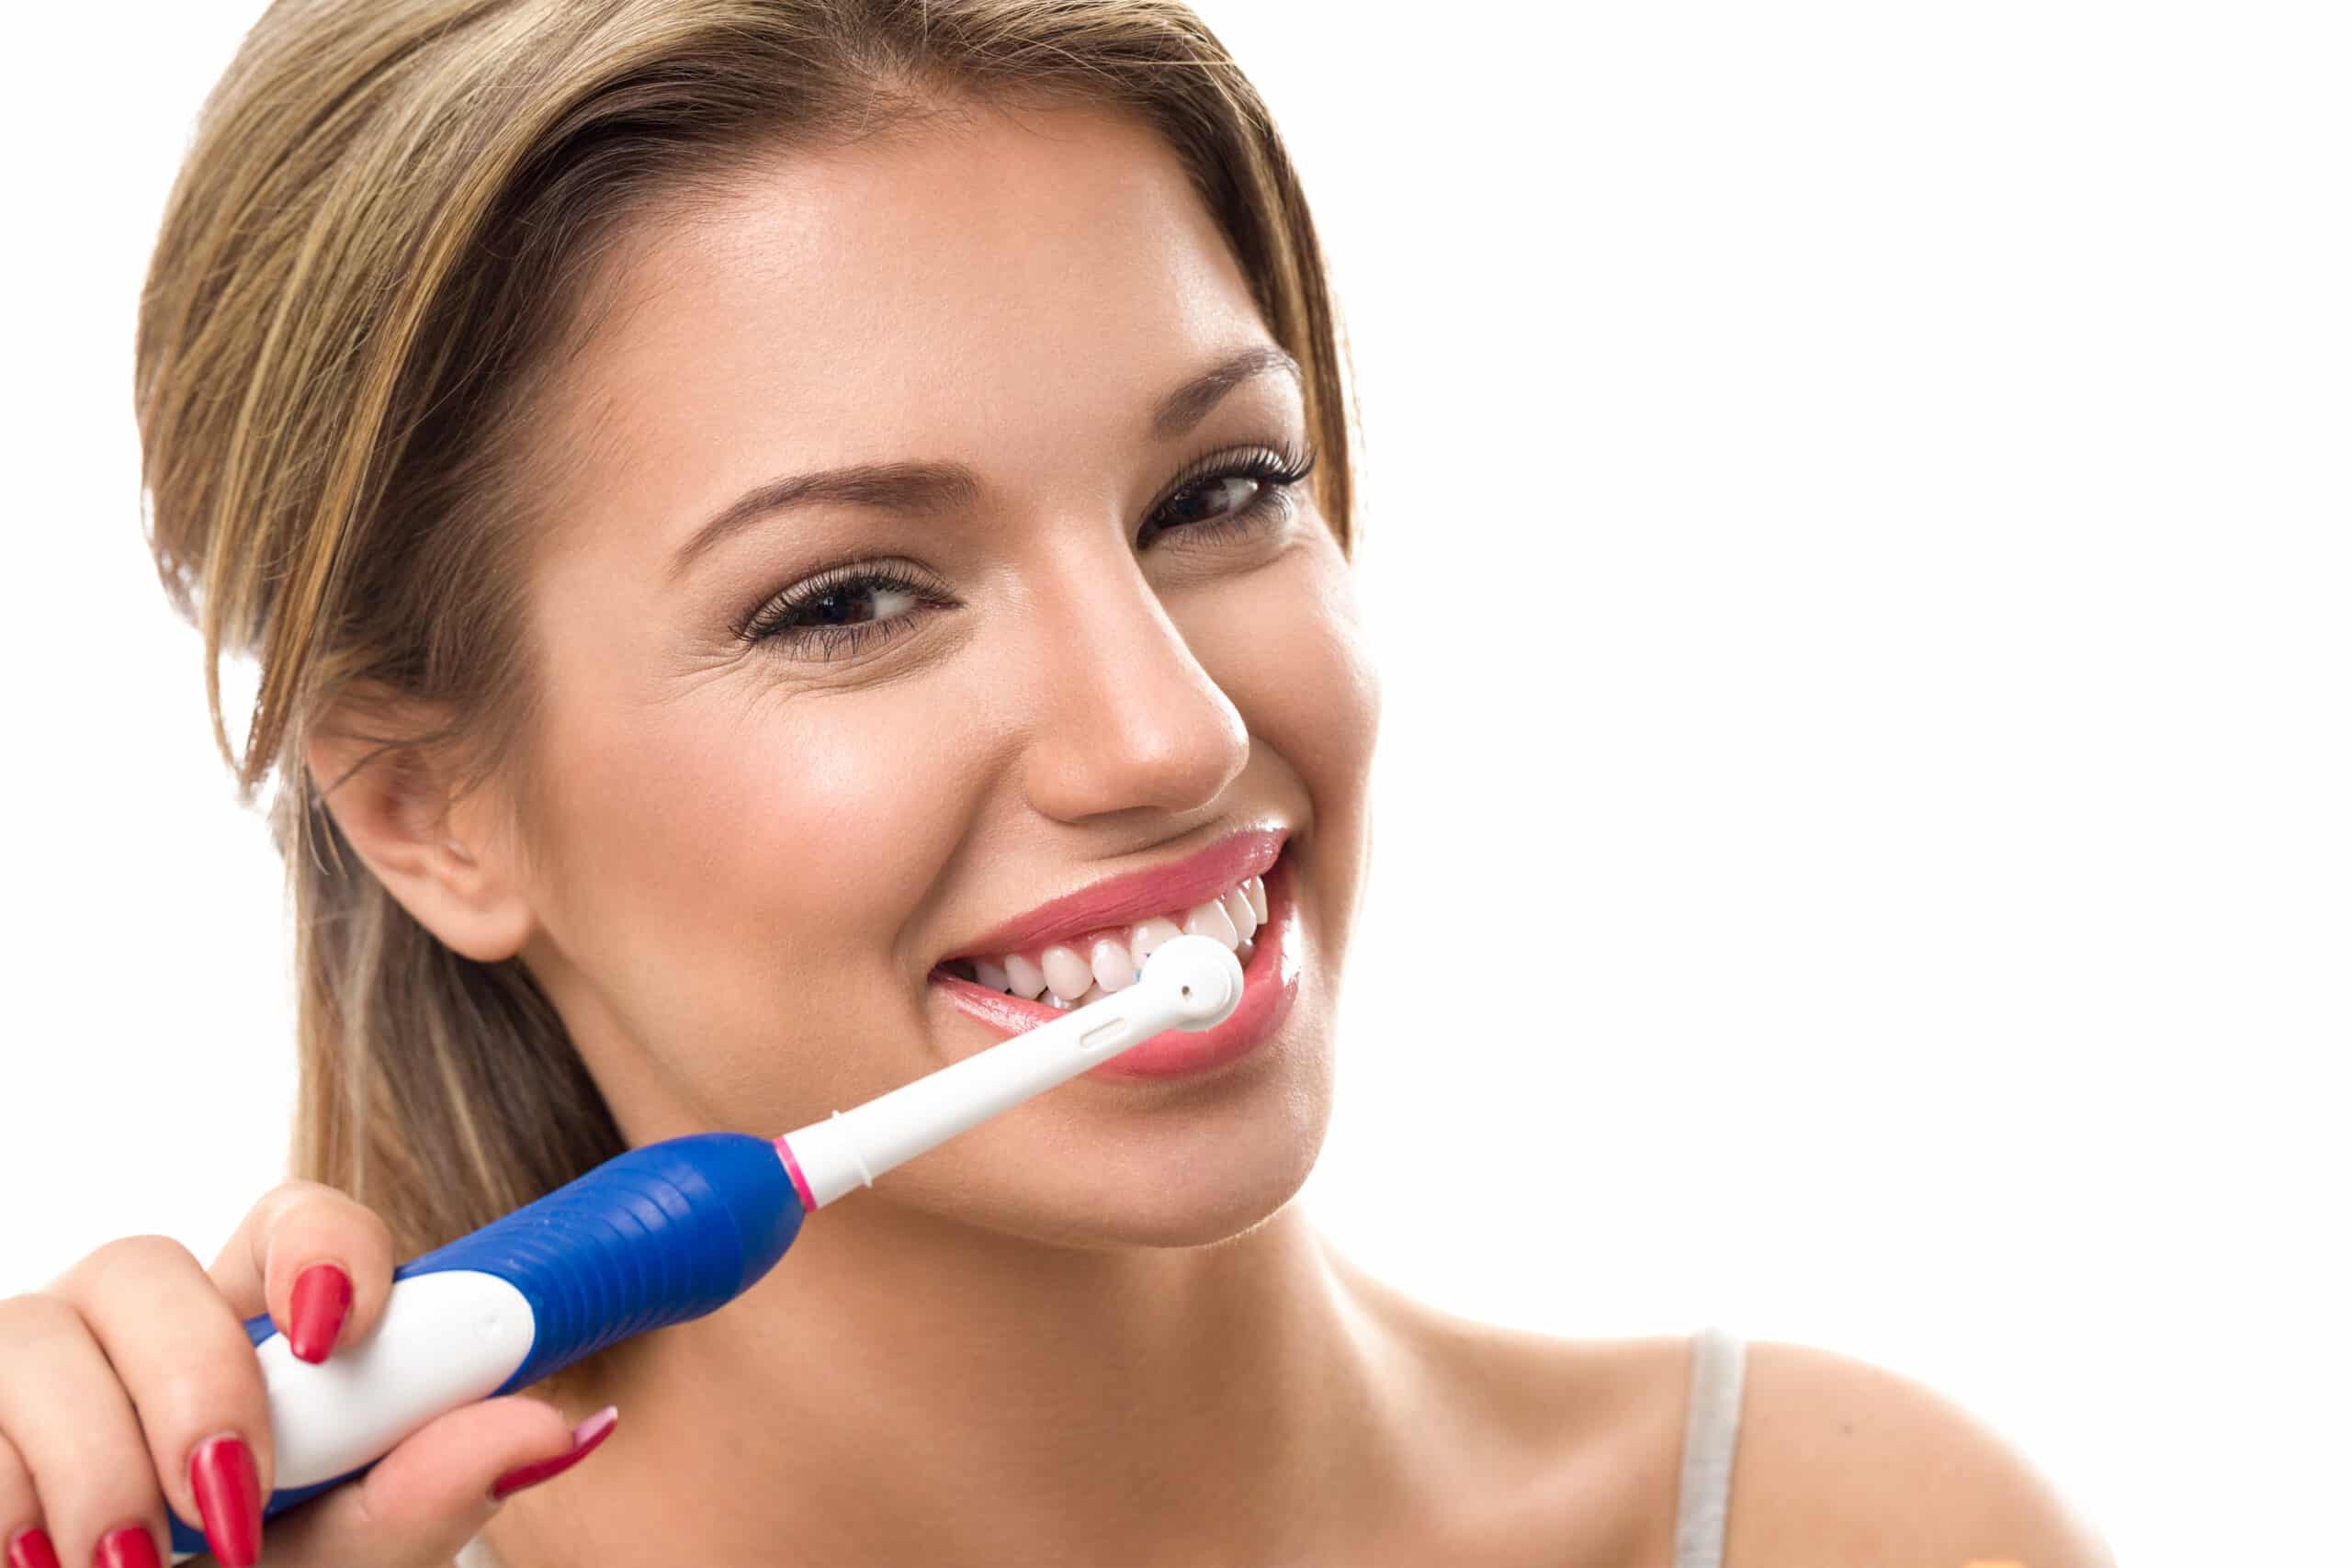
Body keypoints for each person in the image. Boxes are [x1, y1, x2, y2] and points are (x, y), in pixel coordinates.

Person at [0, 3, 2115, 1565]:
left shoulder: (1866, 1523)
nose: (1169, 730)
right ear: (422, 806)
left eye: (1223, 487)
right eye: (843, 598)